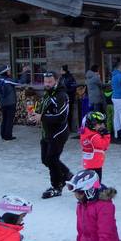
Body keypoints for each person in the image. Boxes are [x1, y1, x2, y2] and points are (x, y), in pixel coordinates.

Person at [30, 71, 73, 199]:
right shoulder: (46, 95)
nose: (47, 84)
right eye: (45, 81)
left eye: (50, 81)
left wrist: (41, 117)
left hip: (58, 132)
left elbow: (62, 116)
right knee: (45, 160)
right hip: (46, 133)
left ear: (56, 81)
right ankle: (67, 174)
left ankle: (57, 186)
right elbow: (40, 111)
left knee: (52, 159)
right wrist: (34, 115)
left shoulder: (61, 95)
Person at [66, 171, 121, 241]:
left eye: (80, 192)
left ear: (90, 190)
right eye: (75, 193)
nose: (77, 196)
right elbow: (81, 231)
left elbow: (105, 234)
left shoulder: (104, 206)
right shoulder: (81, 205)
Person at [80, 112, 111, 182]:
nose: (103, 125)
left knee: (89, 181)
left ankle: (92, 191)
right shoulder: (94, 137)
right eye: (100, 124)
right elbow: (104, 146)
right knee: (96, 182)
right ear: (92, 125)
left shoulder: (86, 132)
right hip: (95, 163)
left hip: (89, 163)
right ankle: (95, 191)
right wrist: (106, 135)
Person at [0, 65, 22, 141]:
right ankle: (8, 136)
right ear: (5, 72)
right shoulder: (8, 80)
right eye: (8, 70)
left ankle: (3, 134)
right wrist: (25, 73)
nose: (10, 71)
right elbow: (20, 82)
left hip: (3, 103)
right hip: (10, 103)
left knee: (4, 119)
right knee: (9, 120)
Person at [60, 65, 78, 132]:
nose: (60, 71)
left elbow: (73, 88)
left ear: (64, 71)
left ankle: (68, 128)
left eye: (61, 70)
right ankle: (63, 128)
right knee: (62, 113)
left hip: (69, 98)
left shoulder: (70, 78)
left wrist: (65, 90)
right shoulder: (62, 78)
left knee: (68, 113)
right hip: (62, 98)